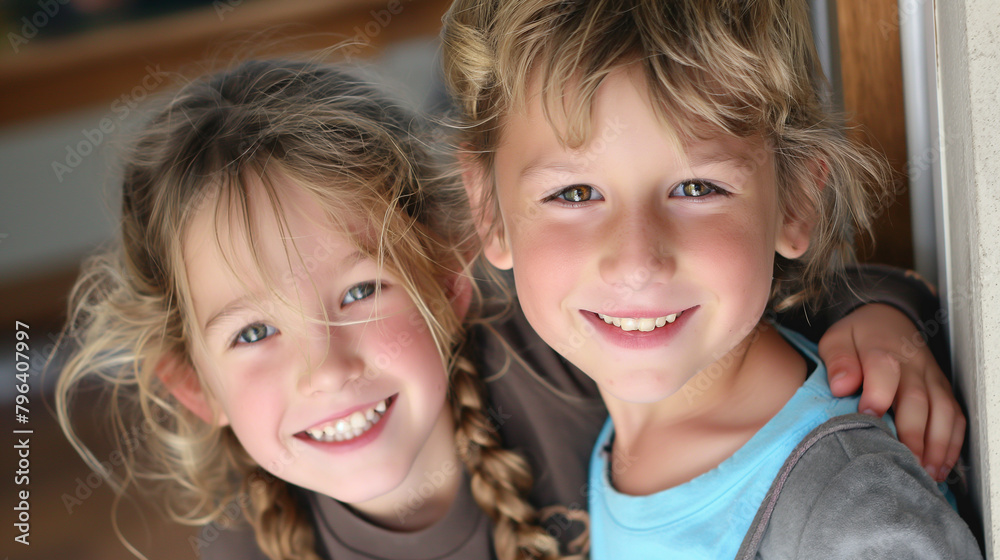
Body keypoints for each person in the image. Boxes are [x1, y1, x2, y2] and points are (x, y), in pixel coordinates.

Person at [57, 53, 963, 560]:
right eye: (254, 332)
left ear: (449, 281)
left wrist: (879, 319)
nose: (325, 370)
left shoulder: (555, 358)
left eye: (361, 292)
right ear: (194, 386)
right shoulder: (245, 547)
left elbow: (745, 296)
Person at [441, 0, 982, 558]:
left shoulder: (854, 519)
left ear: (796, 200)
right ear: (489, 208)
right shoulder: (612, 432)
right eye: (575, 194)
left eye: (697, 188)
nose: (637, 263)